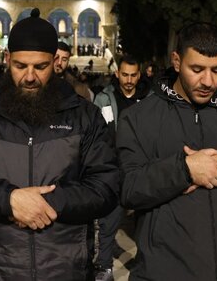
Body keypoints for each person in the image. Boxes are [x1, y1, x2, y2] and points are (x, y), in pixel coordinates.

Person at [0, 8, 120, 280]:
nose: (29, 77)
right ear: (7, 59)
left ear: (55, 62)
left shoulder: (84, 117)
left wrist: (46, 202)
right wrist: (9, 200)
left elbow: (106, 185)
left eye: (40, 67)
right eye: (20, 66)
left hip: (67, 271)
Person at [117, 23, 217, 280]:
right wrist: (183, 170)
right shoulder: (138, 119)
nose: (208, 81)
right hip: (164, 272)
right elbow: (129, 189)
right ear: (176, 61)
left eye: (216, 70)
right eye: (197, 69)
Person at [91, 55, 149, 280]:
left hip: (141, 168)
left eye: (133, 75)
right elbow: (95, 133)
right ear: (117, 74)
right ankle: (104, 266)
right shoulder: (105, 98)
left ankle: (145, 266)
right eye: (125, 74)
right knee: (108, 221)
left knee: (145, 222)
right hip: (113, 168)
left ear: (139, 75)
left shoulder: (148, 98)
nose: (129, 79)